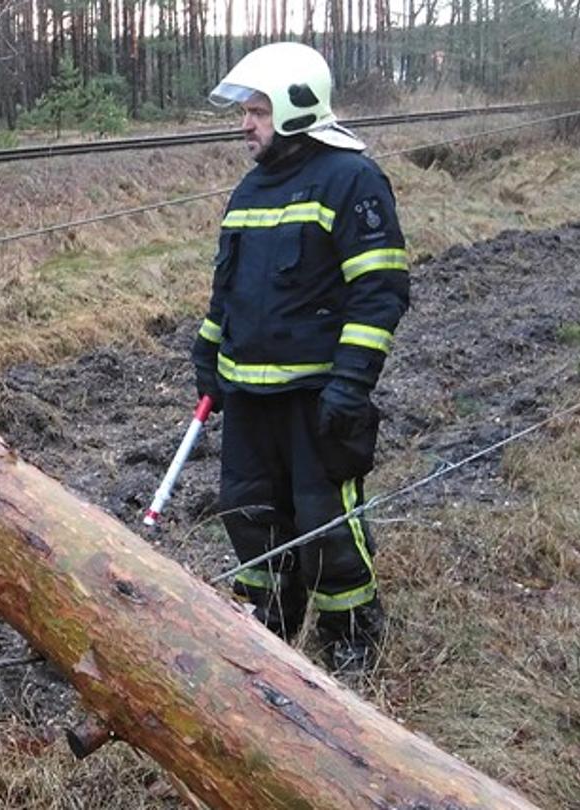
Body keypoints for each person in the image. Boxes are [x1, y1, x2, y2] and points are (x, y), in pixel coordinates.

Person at [193, 42, 410, 675]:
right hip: (248, 396)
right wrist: (209, 347)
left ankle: (350, 634)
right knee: (247, 512)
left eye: (257, 110)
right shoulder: (249, 189)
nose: (246, 124)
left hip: (317, 396)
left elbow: (380, 290)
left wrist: (350, 385)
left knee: (325, 522)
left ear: (295, 109)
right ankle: (271, 627)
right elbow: (229, 287)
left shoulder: (352, 180)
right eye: (246, 111)